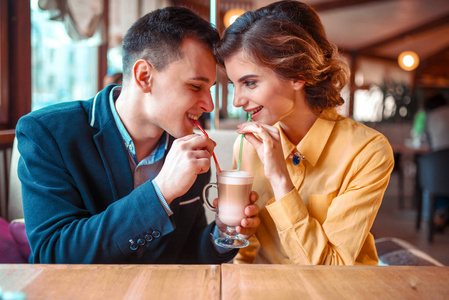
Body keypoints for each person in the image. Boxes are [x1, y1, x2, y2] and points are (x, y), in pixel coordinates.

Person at [16, 6, 259, 264]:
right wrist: (161, 191)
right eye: (195, 86)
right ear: (144, 76)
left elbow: (186, 253)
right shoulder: (48, 134)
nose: (208, 105)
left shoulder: (189, 150)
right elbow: (52, 254)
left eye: (210, 89)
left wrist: (220, 236)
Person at [215, 0, 394, 265]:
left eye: (250, 83)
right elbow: (243, 253)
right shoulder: (248, 145)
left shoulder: (367, 151)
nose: (236, 101)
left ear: (298, 74)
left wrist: (279, 179)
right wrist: (232, 230)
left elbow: (331, 269)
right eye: (233, 84)